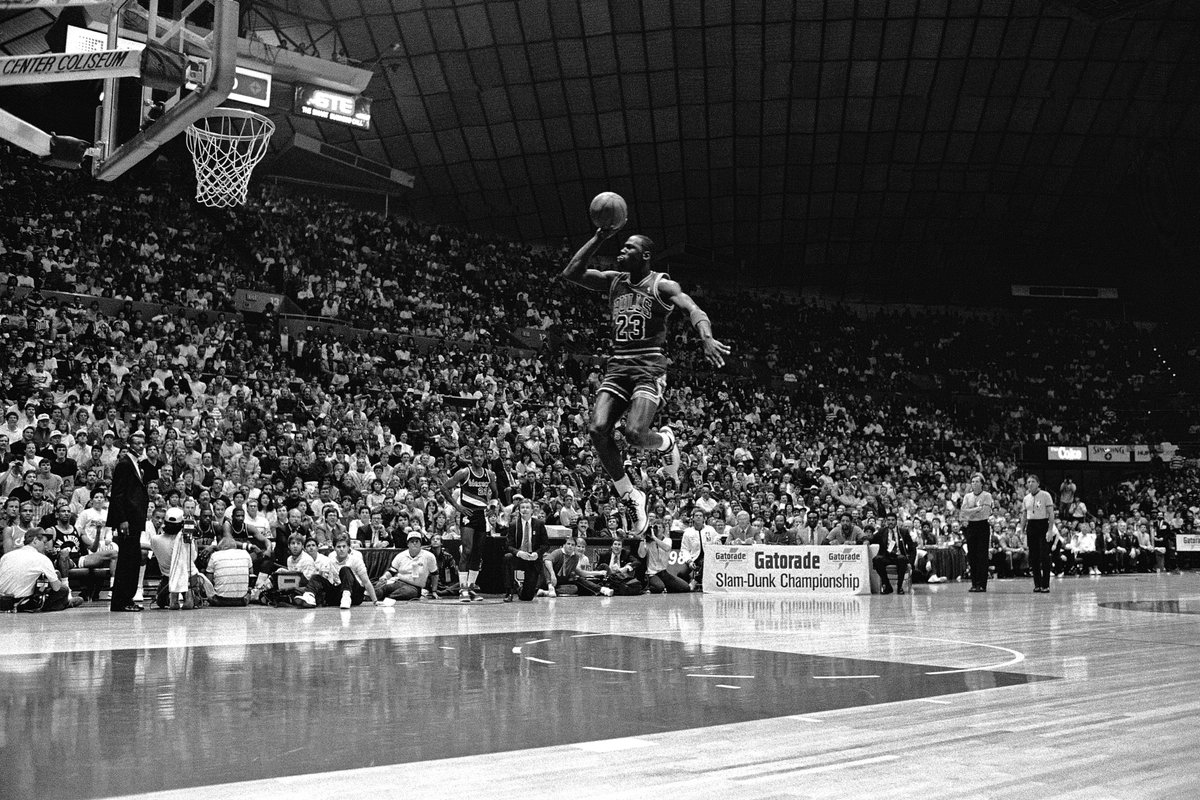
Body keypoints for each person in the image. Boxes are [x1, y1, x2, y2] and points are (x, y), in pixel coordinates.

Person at [562, 225, 730, 535]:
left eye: (629, 248)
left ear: (646, 255)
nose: (622, 251)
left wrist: (706, 337)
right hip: (618, 367)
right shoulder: (614, 281)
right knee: (598, 430)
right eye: (621, 247)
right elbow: (572, 272)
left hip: (649, 365)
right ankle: (630, 494)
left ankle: (666, 442)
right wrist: (599, 237)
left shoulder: (661, 285)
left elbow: (693, 307)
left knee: (634, 434)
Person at [437, 446, 497, 602]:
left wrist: (492, 507)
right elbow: (444, 488)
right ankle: (462, 589)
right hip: (467, 515)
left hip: (481, 516)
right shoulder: (464, 472)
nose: (478, 458)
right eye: (475, 456)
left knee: (478, 552)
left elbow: (496, 494)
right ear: (471, 457)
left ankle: (471, 588)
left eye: (481, 456)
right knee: (467, 550)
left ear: (485, 457)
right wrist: (457, 506)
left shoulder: (489, 474)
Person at [105, 429, 149, 612]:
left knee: (132, 558)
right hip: (127, 521)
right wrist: (122, 519)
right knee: (127, 560)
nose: (140, 446)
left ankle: (126, 599)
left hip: (135, 519)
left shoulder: (137, 464)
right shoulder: (124, 464)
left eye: (142, 443)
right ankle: (121, 601)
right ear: (130, 445)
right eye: (137, 443)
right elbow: (117, 494)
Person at [0, 527, 82, 612]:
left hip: (2, 601)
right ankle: (65, 603)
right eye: (44, 542)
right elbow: (57, 588)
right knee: (63, 589)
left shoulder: (7, 556)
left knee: (43, 580)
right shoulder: (42, 559)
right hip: (22, 602)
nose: (46, 546)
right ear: (35, 540)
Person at [503, 498, 548, 602]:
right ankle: (509, 591)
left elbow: (546, 544)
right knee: (507, 557)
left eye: (528, 507)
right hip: (519, 556)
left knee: (527, 598)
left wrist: (537, 554)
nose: (525, 510)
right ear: (519, 510)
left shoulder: (539, 524)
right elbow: (508, 545)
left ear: (532, 510)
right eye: (522, 507)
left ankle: (520, 588)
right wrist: (518, 553)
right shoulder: (513, 525)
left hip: (532, 558)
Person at [375, 532, 437, 604]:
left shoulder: (429, 556)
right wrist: (384, 577)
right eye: (412, 541)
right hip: (398, 582)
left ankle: (388, 599)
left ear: (420, 543)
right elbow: (392, 571)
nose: (414, 543)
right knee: (381, 588)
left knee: (407, 592)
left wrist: (434, 591)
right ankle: (369, 597)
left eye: (417, 541)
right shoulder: (401, 555)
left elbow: (435, 574)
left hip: (415, 587)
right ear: (408, 544)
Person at [1020, 474, 1056, 594]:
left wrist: (1050, 530)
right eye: (1028, 482)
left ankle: (1045, 584)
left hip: (1043, 525)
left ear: (1038, 483)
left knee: (1044, 555)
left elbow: (1051, 514)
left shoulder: (1046, 495)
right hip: (1031, 526)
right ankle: (1037, 584)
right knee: (1033, 556)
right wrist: (1021, 531)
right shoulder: (1026, 498)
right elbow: (1024, 515)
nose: (1030, 484)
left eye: (1033, 481)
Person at [960, 473, 995, 593]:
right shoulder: (967, 496)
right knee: (972, 555)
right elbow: (963, 513)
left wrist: (970, 511)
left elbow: (985, 512)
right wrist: (976, 509)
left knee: (982, 555)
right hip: (971, 526)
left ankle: (982, 584)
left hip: (982, 525)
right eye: (973, 481)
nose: (974, 483)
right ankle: (974, 583)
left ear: (982, 484)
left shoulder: (987, 496)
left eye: (977, 481)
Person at [638, 518, 693, 594]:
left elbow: (667, 548)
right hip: (651, 573)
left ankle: (666, 586)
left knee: (685, 587)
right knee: (659, 588)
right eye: (655, 527)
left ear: (663, 529)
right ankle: (649, 587)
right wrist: (642, 539)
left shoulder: (667, 540)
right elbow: (641, 555)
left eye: (659, 527)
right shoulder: (648, 542)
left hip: (663, 572)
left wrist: (655, 538)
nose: (657, 529)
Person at [872, 514, 915, 595]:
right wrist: (864, 540)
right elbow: (871, 539)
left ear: (896, 521)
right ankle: (887, 585)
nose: (890, 522)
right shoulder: (882, 531)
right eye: (888, 520)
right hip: (886, 556)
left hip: (899, 556)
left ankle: (899, 587)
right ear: (885, 521)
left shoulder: (903, 531)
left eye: (892, 520)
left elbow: (912, 548)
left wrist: (910, 562)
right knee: (876, 560)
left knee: (902, 559)